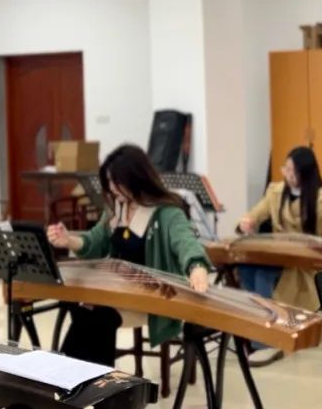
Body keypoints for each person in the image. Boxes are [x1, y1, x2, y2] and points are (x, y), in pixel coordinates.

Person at [46, 144, 211, 367]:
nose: (112, 188)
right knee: (81, 308)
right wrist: (69, 240)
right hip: (116, 291)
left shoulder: (167, 213)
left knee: (99, 316)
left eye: (117, 182)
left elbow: (186, 242)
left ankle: (90, 379)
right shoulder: (117, 209)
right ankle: (71, 376)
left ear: (136, 178)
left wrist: (197, 267)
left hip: (150, 297)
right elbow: (95, 241)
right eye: (109, 182)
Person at [235, 146, 322, 366]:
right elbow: (255, 214)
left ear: (305, 173)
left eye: (293, 171)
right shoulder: (276, 192)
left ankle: (267, 340)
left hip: (302, 262)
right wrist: (246, 222)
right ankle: (258, 327)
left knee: (262, 275)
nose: (287, 174)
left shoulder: (320, 197)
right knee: (245, 268)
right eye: (286, 169)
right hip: (276, 254)